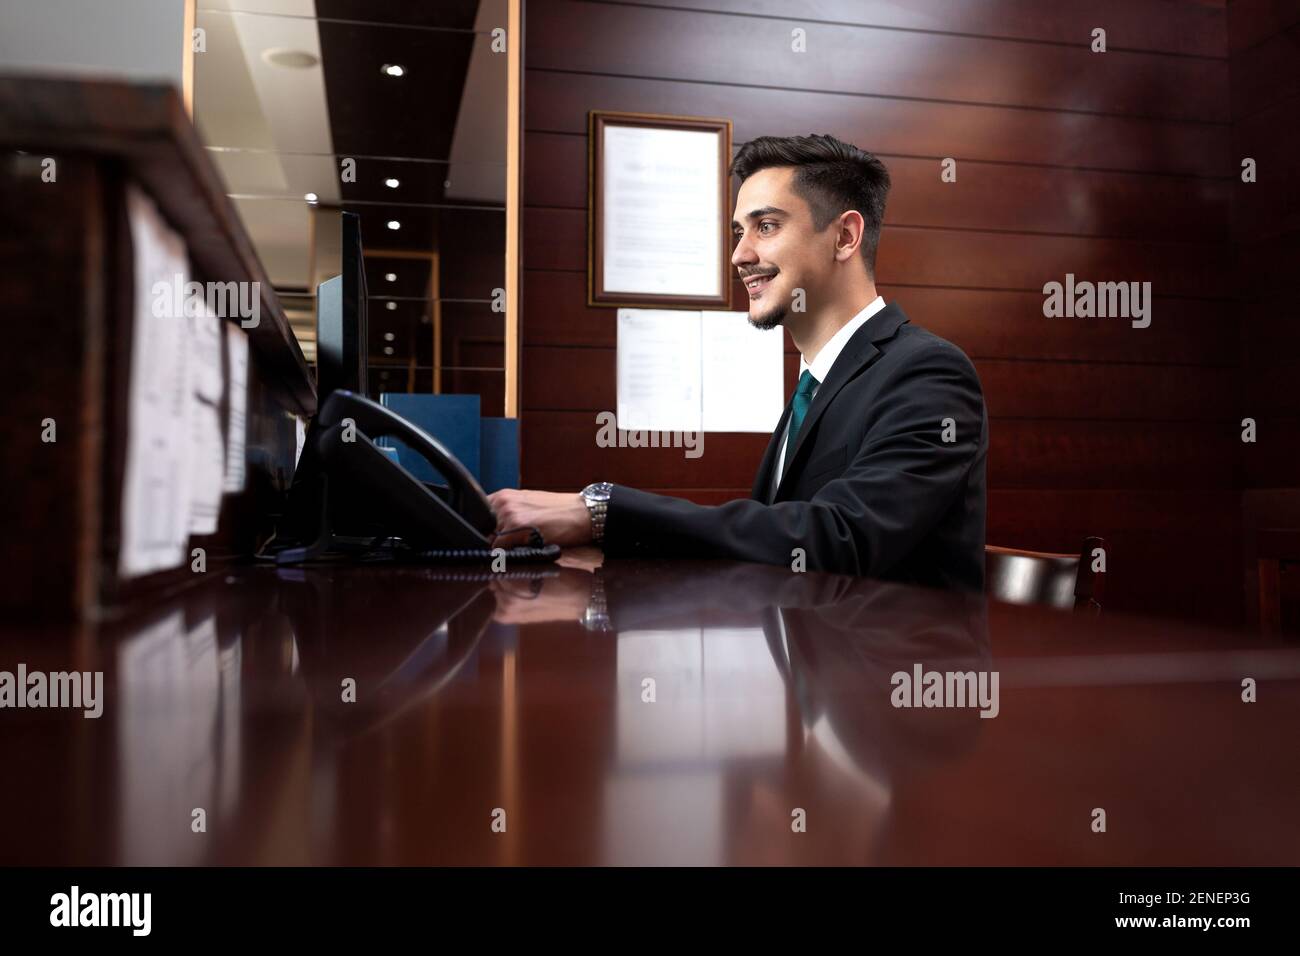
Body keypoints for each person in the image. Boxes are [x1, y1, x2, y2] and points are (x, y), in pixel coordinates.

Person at [490, 133, 988, 591]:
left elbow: (839, 539)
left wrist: (603, 511)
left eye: (766, 226)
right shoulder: (814, 385)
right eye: (738, 231)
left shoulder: (929, 373)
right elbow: (771, 546)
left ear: (844, 237)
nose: (738, 255)